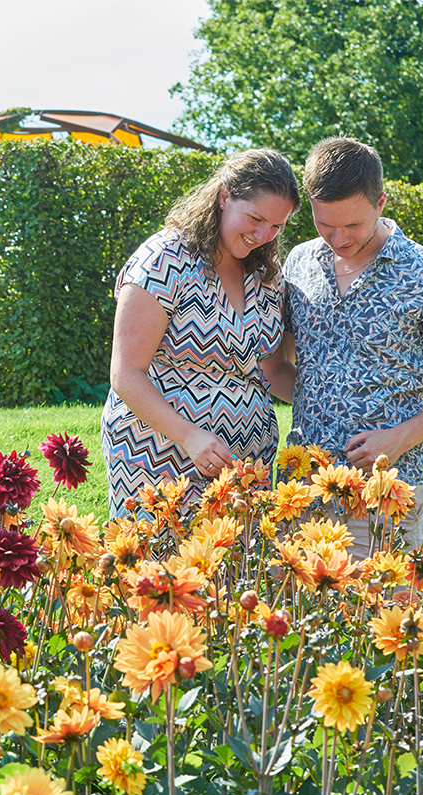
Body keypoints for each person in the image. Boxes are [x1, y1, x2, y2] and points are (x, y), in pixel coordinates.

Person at [267, 137, 423, 558]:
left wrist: (400, 437)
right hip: (301, 488)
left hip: (386, 491)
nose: (337, 238)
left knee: (379, 602)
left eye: (352, 225)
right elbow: (287, 367)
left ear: (381, 202)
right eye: (324, 223)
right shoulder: (298, 261)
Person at [103, 149, 300, 520]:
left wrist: (334, 404)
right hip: (160, 457)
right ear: (224, 197)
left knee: (238, 560)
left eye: (276, 226)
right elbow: (126, 374)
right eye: (255, 218)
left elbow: (272, 372)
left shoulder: (267, 276)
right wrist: (189, 435)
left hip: (244, 469)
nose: (263, 235)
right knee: (160, 556)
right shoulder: (164, 259)